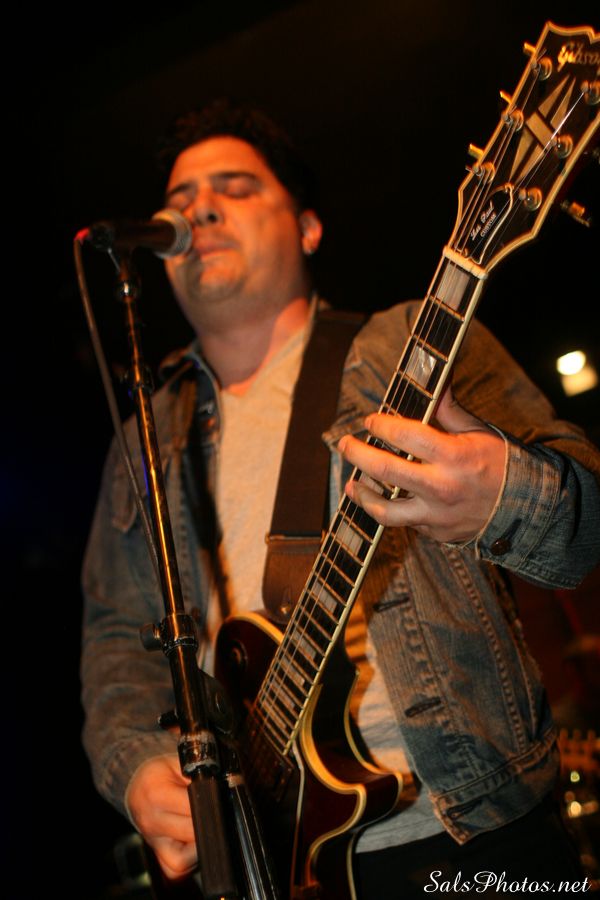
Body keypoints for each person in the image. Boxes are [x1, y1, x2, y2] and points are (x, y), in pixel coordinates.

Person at [81, 99, 600, 898]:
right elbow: (117, 637)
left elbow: (585, 527)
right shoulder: (147, 436)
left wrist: (505, 492)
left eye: (235, 188)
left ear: (308, 228)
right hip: (273, 863)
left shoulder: (408, 345)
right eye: (179, 201)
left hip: (469, 835)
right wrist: (138, 765)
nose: (199, 210)